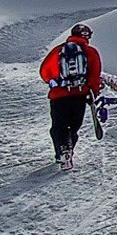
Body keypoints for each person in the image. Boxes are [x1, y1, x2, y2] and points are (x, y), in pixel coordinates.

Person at [38, 23, 102, 171]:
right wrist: (93, 91)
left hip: (58, 95)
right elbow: (94, 75)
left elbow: (44, 71)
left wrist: (54, 83)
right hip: (79, 95)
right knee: (73, 126)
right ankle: (69, 149)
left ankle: (61, 151)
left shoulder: (57, 51)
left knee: (58, 126)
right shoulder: (90, 52)